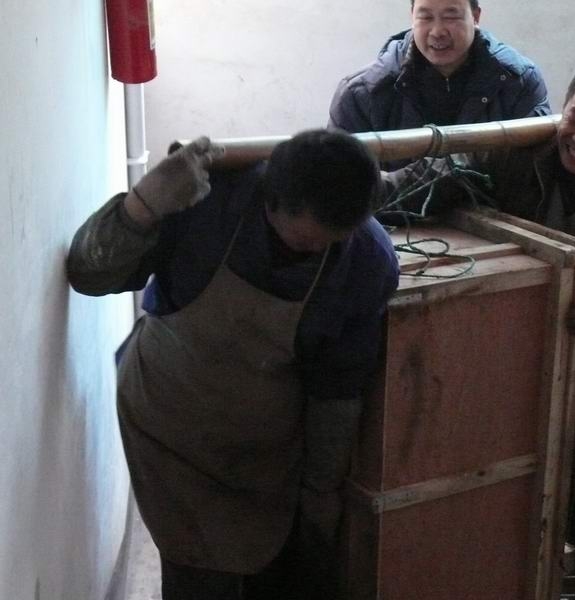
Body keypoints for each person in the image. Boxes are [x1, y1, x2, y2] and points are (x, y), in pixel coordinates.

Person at [67, 130, 400, 600]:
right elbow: (87, 274)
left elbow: (336, 390)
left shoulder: (365, 260)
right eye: (306, 242)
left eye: (335, 238)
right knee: (196, 572)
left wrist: (321, 492)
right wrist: (140, 206)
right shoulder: (204, 203)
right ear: (272, 200)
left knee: (274, 565)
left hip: (263, 449)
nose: (318, 249)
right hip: (167, 428)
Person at [382, 59, 575, 586]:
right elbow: (425, 180)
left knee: (573, 465)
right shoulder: (510, 149)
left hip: (569, 347)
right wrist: (357, 204)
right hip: (487, 338)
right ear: (563, 106)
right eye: (574, 119)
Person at [328, 0, 550, 158]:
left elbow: (534, 173)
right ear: (412, 17)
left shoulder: (518, 81)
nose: (437, 31)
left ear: (475, 17)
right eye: (425, 17)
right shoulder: (361, 94)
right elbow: (337, 183)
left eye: (451, 16)